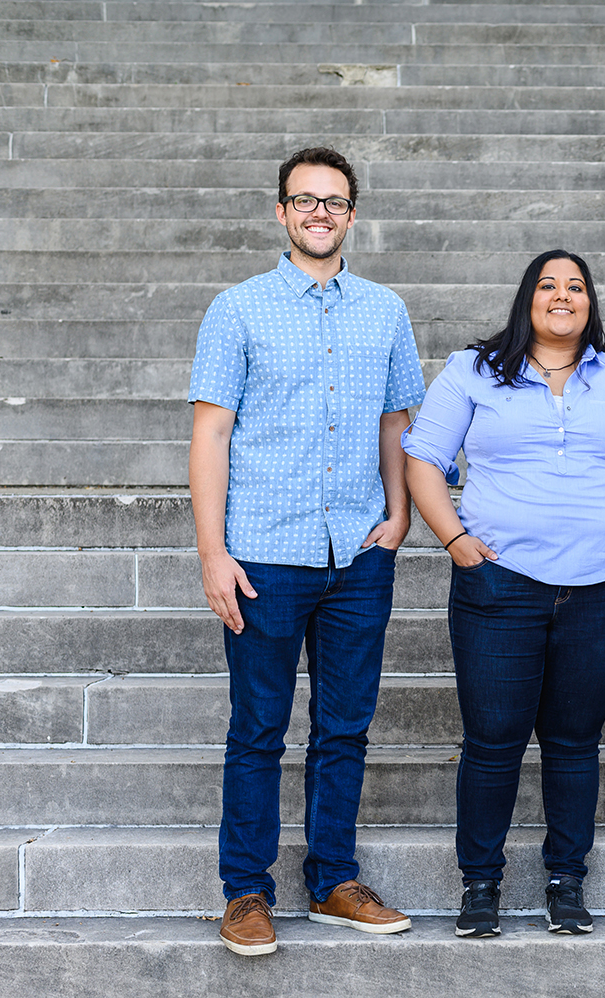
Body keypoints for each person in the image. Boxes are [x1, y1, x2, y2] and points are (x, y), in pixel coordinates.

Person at [189, 147, 425, 956]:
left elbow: (399, 422)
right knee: (258, 729)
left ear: (352, 215)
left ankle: (332, 881)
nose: (319, 213)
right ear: (281, 212)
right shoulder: (237, 308)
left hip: (358, 554)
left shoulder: (385, 311)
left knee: (344, 727)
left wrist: (399, 516)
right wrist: (212, 552)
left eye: (334, 202)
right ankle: (246, 892)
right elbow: (211, 433)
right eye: (304, 200)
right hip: (262, 557)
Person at [402, 250, 605, 939]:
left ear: (590, 303)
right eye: (548, 284)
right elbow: (423, 458)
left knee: (574, 742)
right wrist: (455, 539)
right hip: (498, 585)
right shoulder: (474, 370)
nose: (561, 295)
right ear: (527, 298)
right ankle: (480, 885)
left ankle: (566, 881)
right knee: (492, 742)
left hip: (598, 588)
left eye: (575, 286)